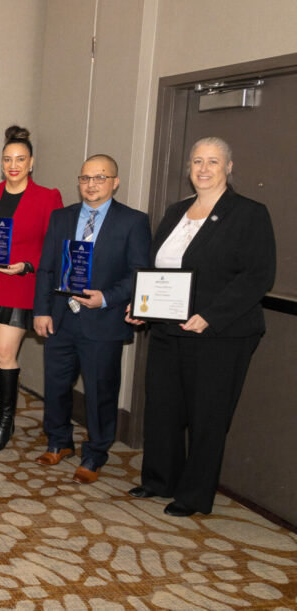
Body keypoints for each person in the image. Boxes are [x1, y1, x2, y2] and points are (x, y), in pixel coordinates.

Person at [127, 137, 275, 517]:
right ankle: (159, 480)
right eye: (197, 161)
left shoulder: (248, 213)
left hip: (220, 334)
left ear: (229, 167)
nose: (203, 169)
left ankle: (193, 495)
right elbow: (159, 269)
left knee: (207, 416)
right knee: (162, 408)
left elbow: (258, 276)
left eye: (213, 161)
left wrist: (211, 315)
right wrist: (142, 305)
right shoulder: (176, 211)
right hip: (168, 329)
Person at [33, 154, 151, 483]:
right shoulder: (61, 217)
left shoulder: (133, 221)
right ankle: (59, 441)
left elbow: (139, 272)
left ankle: (95, 454)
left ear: (115, 182)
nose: (91, 184)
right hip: (61, 317)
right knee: (56, 385)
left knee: (100, 391)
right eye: (85, 178)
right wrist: (41, 310)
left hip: (103, 320)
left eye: (100, 178)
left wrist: (107, 297)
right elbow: (46, 268)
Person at [0, 125, 63, 451]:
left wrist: (28, 265)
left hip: (18, 286)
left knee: (6, 353)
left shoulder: (47, 197)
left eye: (20, 159)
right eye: (8, 159)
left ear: (31, 162)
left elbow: (53, 245)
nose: (13, 165)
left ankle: (6, 421)